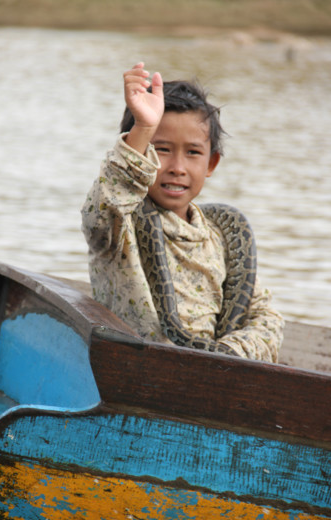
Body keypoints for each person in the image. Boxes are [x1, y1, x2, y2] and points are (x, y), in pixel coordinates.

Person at [82, 62, 284, 362]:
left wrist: (228, 354)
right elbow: (105, 204)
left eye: (192, 152)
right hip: (136, 368)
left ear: (211, 164)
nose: (177, 168)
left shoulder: (221, 236)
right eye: (161, 149)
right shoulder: (119, 225)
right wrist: (143, 129)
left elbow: (264, 316)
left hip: (212, 372)